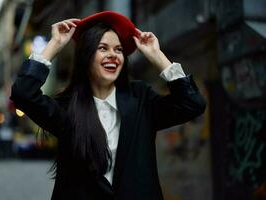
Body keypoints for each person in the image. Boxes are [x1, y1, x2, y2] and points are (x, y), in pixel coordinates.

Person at [10, 11, 206, 200]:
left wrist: (157, 55)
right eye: (103, 48)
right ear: (86, 56)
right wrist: (55, 44)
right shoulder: (67, 107)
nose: (113, 55)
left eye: (118, 49)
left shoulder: (141, 99)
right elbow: (23, 93)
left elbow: (192, 104)